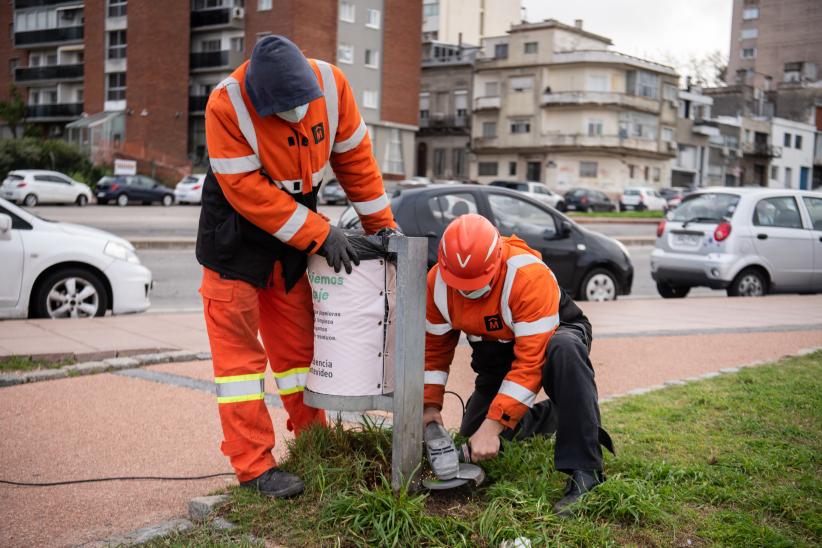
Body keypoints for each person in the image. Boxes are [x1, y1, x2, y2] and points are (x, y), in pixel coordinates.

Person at [196, 35, 397, 498]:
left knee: (300, 354)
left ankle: (316, 442)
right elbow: (246, 191)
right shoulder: (226, 104)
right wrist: (322, 233)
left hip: (291, 238)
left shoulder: (332, 84)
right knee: (240, 369)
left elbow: (356, 162)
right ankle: (254, 467)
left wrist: (384, 230)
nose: (297, 115)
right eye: (284, 110)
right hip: (233, 240)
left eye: (302, 105)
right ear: (260, 98)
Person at [422, 214, 613, 515]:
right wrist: (429, 406)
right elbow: (433, 351)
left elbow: (530, 363)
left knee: (565, 350)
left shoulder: (527, 276)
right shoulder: (436, 283)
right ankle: (562, 414)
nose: (466, 292)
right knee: (474, 437)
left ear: (496, 260)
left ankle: (586, 471)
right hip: (495, 354)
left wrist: (492, 426)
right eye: (459, 285)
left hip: (552, 339)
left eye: (475, 285)